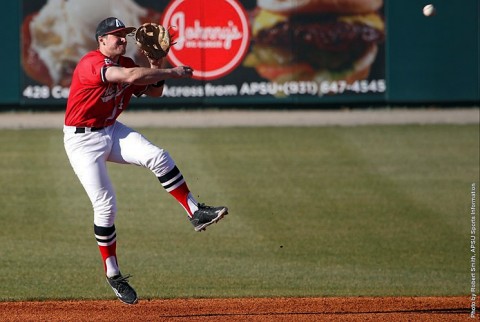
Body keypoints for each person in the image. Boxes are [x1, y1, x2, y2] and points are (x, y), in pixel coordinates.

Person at [63, 17, 228, 305]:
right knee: (106, 205)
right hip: (82, 141)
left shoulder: (127, 63)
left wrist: (157, 63)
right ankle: (113, 274)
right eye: (116, 36)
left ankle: (195, 212)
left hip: (110, 129)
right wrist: (172, 70)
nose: (122, 39)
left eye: (124, 35)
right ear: (101, 41)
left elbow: (154, 90)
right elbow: (128, 79)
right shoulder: (91, 63)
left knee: (157, 155)